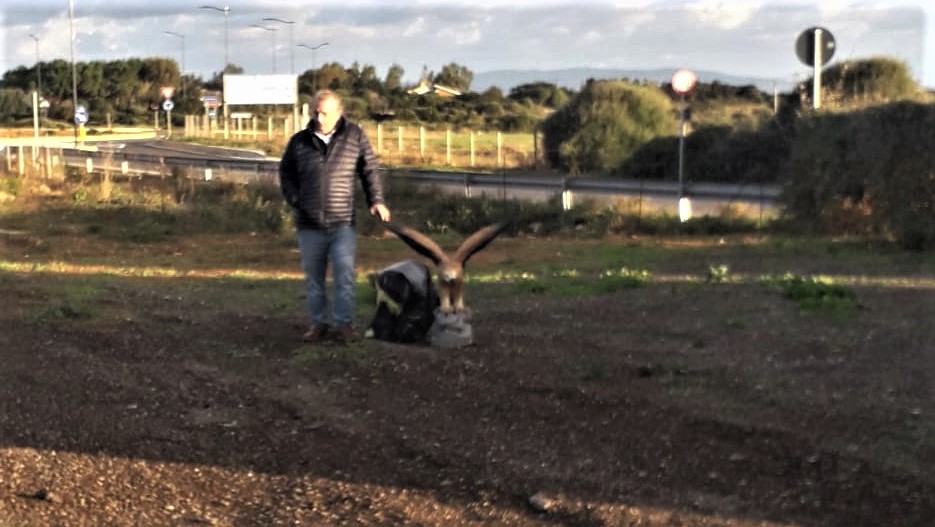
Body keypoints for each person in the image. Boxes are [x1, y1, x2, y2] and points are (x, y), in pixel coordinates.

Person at [279, 90, 391, 343]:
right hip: (309, 224)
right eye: (316, 112)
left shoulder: (355, 137)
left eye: (325, 113)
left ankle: (344, 326)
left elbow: (369, 170)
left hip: (342, 223)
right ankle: (318, 325)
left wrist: (376, 200)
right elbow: (285, 173)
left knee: (344, 276)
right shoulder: (299, 141)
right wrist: (295, 200)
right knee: (314, 280)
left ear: (339, 112)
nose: (320, 118)